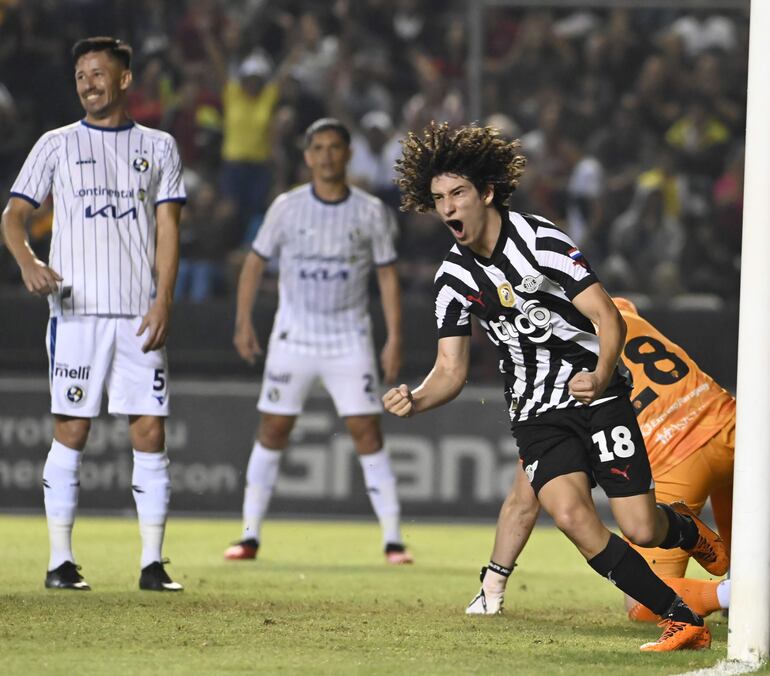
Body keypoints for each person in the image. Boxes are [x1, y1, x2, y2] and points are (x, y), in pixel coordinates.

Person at [386, 121, 727, 651]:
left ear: (487, 193)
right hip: (536, 412)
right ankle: (682, 618)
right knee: (570, 516)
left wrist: (602, 368)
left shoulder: (542, 242)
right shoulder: (451, 279)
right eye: (438, 199)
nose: (449, 208)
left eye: (457, 194)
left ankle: (687, 531)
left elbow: (606, 317)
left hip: (600, 394)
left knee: (640, 526)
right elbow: (450, 371)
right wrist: (416, 399)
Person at [0, 37, 185, 592]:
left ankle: (152, 564)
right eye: (81, 75)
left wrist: (164, 298)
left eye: (98, 74)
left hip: (137, 315)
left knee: (150, 431)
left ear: (124, 79)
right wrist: (28, 260)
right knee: (72, 430)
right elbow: (12, 216)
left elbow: (169, 229)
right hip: (76, 315)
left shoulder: (160, 146)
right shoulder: (55, 144)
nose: (88, 83)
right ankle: (60, 562)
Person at [465, 297, 734, 622]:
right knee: (748, 531)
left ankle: (732, 594)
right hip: (732, 427)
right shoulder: (614, 312)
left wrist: (494, 583)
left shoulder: (553, 360)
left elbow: (524, 500)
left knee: (642, 605)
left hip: (676, 454)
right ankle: (741, 580)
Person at [224, 118, 412, 565]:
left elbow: (387, 277)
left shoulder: (370, 212)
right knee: (273, 428)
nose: (326, 155)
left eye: (334, 148)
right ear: (307, 157)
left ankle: (393, 539)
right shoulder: (286, 207)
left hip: (350, 338)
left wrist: (395, 337)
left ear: (347, 155)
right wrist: (243, 322)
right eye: (318, 148)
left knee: (366, 430)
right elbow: (254, 263)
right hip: (294, 337)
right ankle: (249, 535)